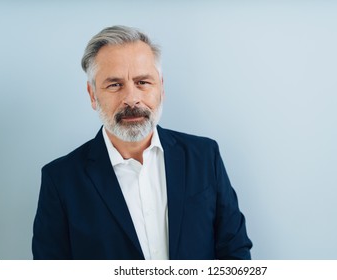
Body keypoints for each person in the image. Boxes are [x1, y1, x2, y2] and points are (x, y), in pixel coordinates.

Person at [32, 25, 252, 260]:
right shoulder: (60, 180)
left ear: (161, 87)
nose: (131, 99)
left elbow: (234, 252)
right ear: (92, 95)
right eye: (115, 85)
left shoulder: (205, 156)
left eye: (143, 82)